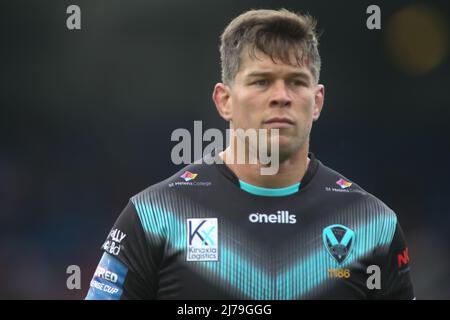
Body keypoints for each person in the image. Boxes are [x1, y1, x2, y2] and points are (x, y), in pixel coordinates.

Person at [86, 8, 414, 300]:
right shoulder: (154, 218)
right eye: (261, 81)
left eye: (297, 82)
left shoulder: (374, 225)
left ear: (317, 101)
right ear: (224, 100)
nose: (281, 96)